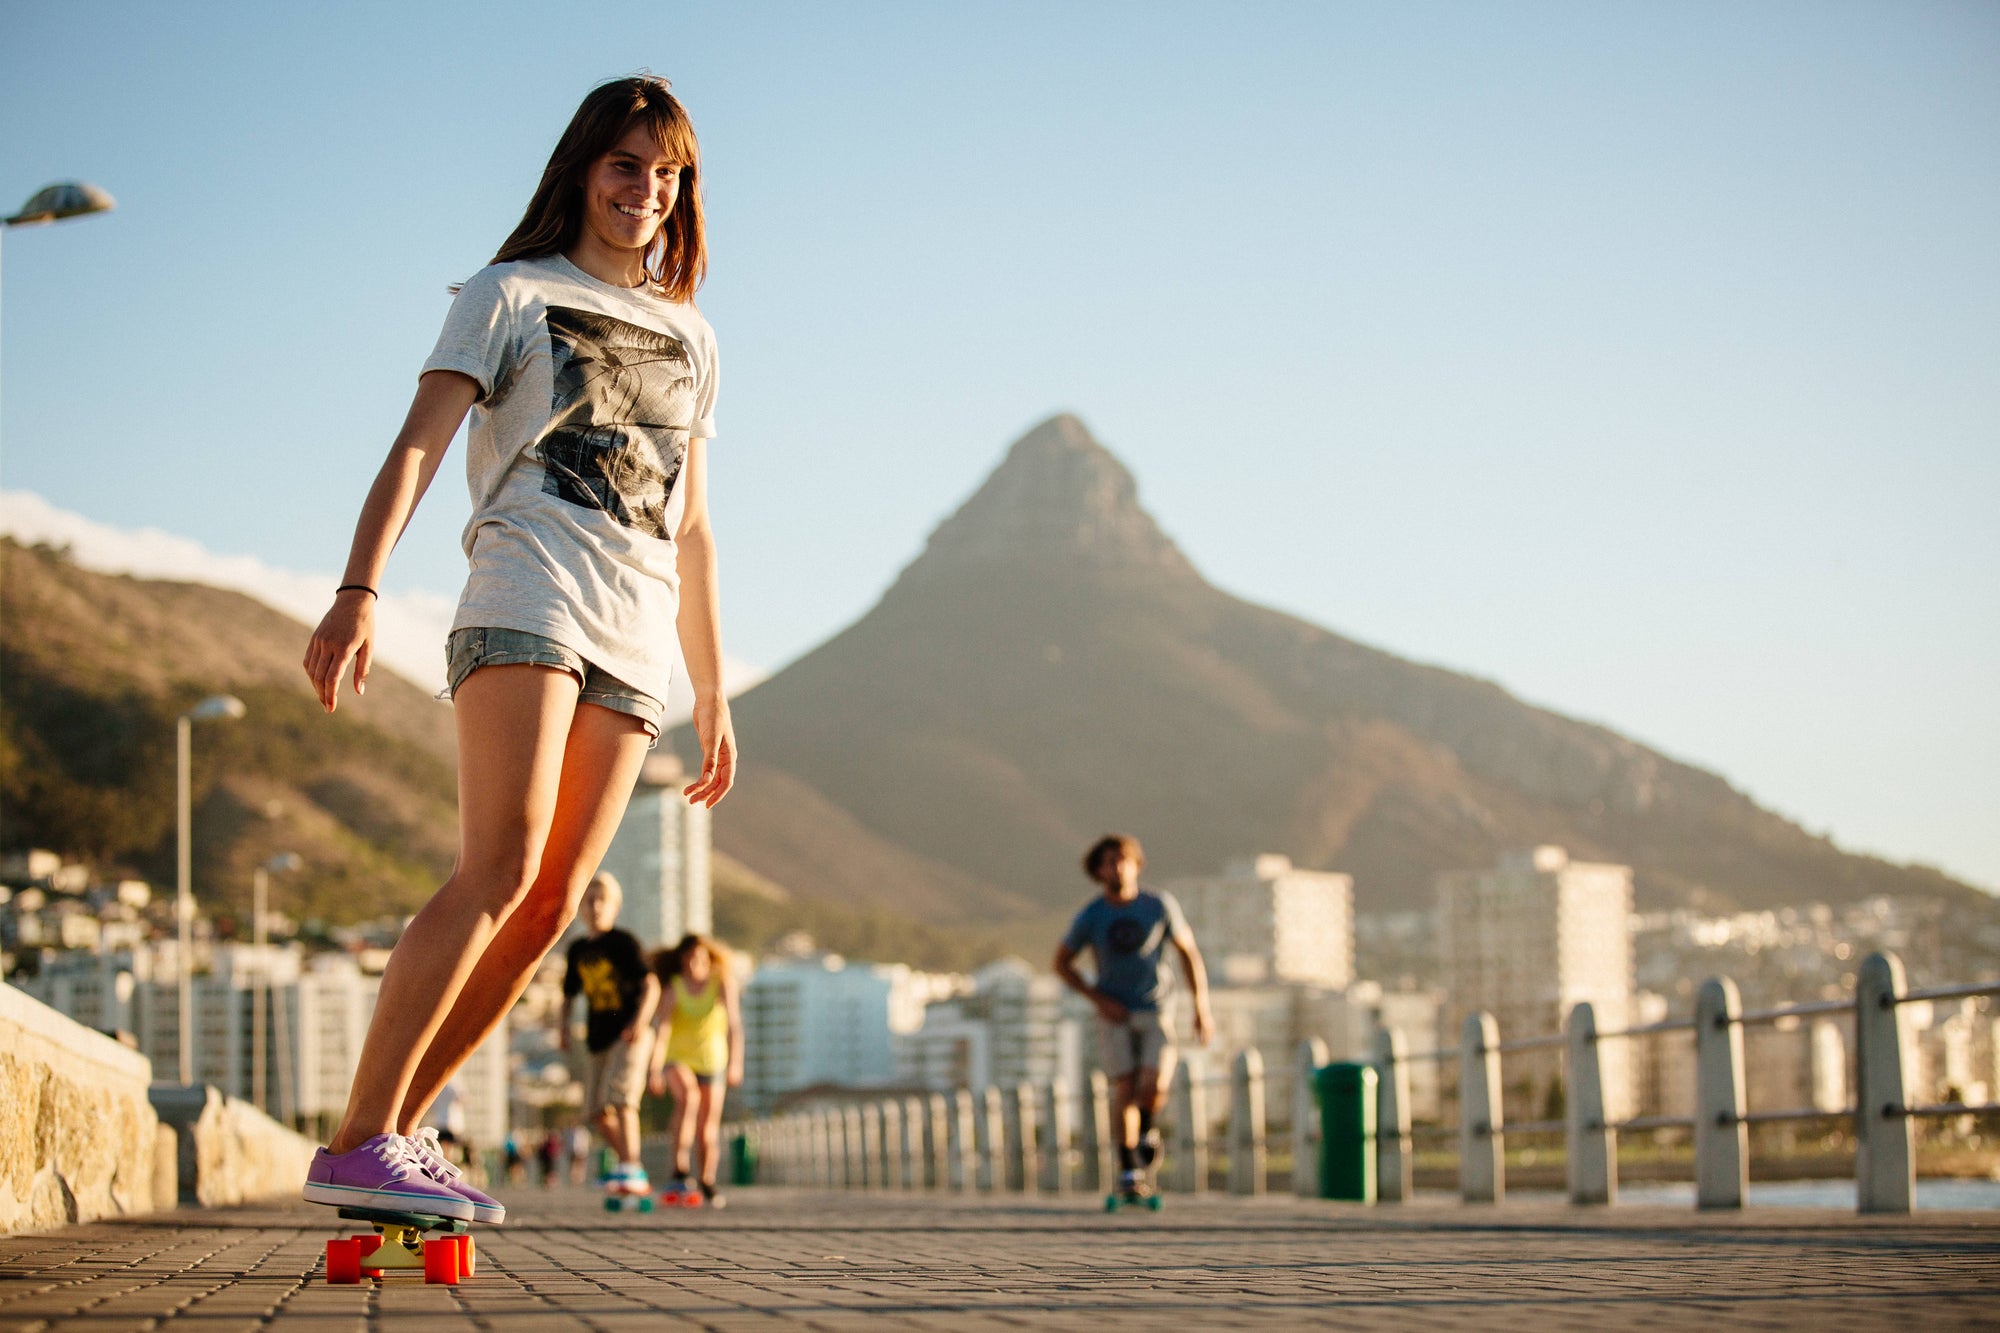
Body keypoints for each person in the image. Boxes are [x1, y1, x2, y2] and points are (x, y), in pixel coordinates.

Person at [299, 75, 736, 1226]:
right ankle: (357, 1137)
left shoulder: (694, 336)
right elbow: (417, 447)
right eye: (625, 165)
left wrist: (714, 689)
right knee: (497, 867)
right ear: (582, 170)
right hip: (527, 593)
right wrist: (358, 588)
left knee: (547, 907)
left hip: (637, 636)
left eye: (666, 173)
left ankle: (395, 1130)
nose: (645, 191)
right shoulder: (508, 294)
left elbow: (688, 525)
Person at [1052, 834, 1213, 1201]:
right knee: (1124, 1086)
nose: (1117, 867)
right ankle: (1128, 1170)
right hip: (1114, 1014)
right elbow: (1061, 964)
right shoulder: (1091, 916)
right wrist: (1097, 999)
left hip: (1156, 1009)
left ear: (1136, 864)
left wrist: (1201, 1007)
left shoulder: (1159, 906)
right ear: (1097, 871)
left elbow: (1188, 953)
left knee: (1154, 1084)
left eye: (1123, 859)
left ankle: (1147, 1131)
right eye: (1108, 862)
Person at [560, 873, 659, 1194]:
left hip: (629, 1034)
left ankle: (630, 1167)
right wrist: (562, 1030)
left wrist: (640, 1023)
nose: (596, 906)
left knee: (621, 1100)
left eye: (603, 900)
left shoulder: (623, 942)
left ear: (615, 906)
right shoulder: (576, 950)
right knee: (595, 1111)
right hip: (597, 1039)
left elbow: (651, 985)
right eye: (589, 900)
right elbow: (568, 996)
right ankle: (633, 1166)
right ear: (580, 907)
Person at [647, 933, 743, 1206]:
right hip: (678, 1058)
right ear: (681, 960)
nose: (694, 964)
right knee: (688, 1099)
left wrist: (736, 1063)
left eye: (699, 958)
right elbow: (662, 1030)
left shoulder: (722, 984)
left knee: (707, 1128)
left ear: (709, 960)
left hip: (713, 1061)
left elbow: (734, 1025)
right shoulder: (674, 988)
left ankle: (707, 1180)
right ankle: (679, 1169)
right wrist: (654, 1069)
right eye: (689, 958)